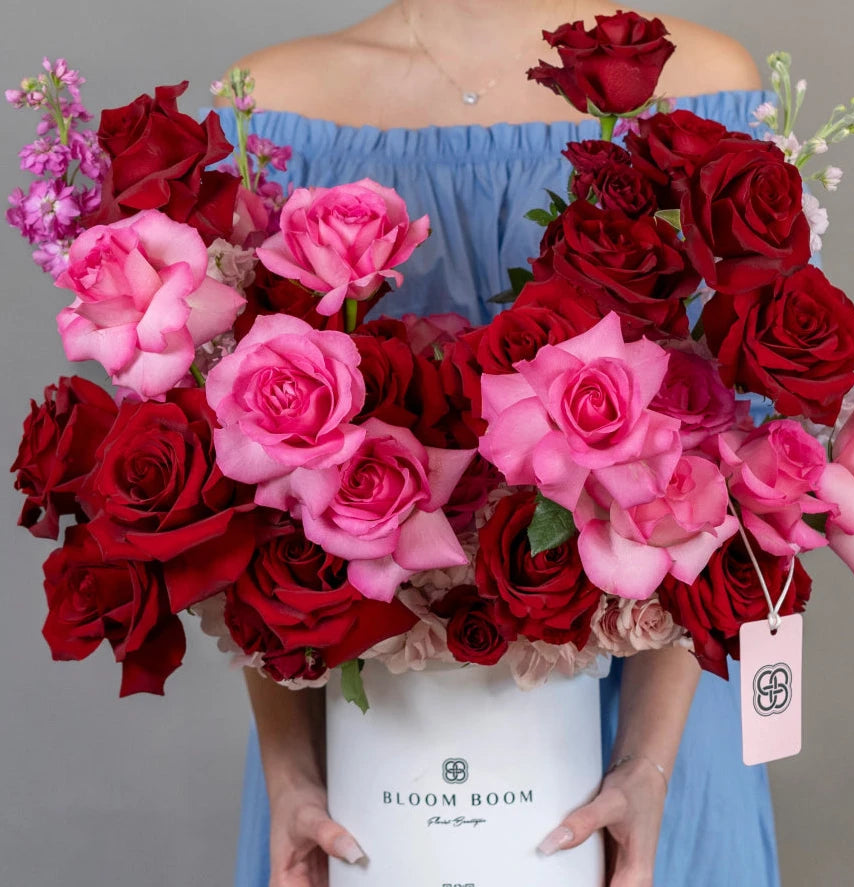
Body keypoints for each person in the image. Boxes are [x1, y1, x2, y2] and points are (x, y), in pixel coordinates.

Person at [215, 3, 776, 885]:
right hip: (365, 763)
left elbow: (725, 470)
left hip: (653, 730)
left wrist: (645, 763)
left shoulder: (706, 83)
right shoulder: (266, 104)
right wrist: (291, 773)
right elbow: (246, 510)